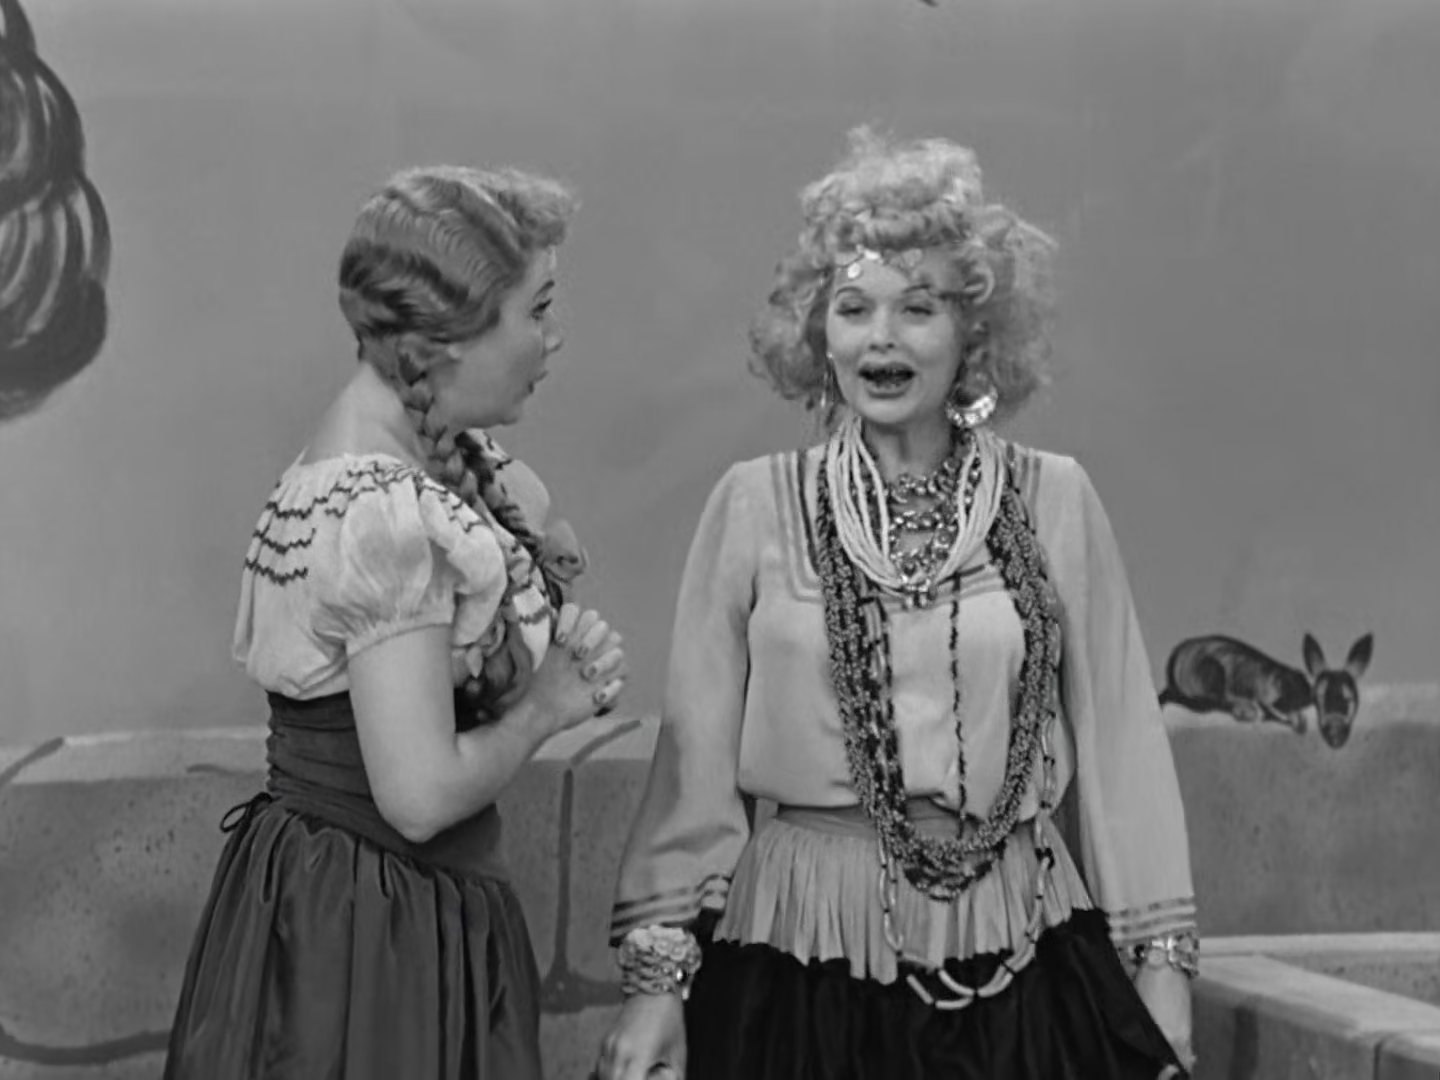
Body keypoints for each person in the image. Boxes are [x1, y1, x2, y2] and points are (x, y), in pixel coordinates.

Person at [597, 127, 1197, 1080]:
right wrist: (656, 985)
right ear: (818, 331)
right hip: (801, 941)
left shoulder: (1053, 499)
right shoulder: (755, 505)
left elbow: (1122, 743)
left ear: (973, 337)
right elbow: (694, 771)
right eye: (853, 308)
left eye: (917, 308)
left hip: (1020, 940)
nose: (880, 336)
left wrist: (1161, 971)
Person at [164, 164, 627, 1079]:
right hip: (369, 936)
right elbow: (418, 798)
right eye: (536, 311)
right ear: (446, 340)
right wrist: (546, 705)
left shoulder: (433, 463)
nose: (553, 338)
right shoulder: (379, 516)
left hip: (385, 907)